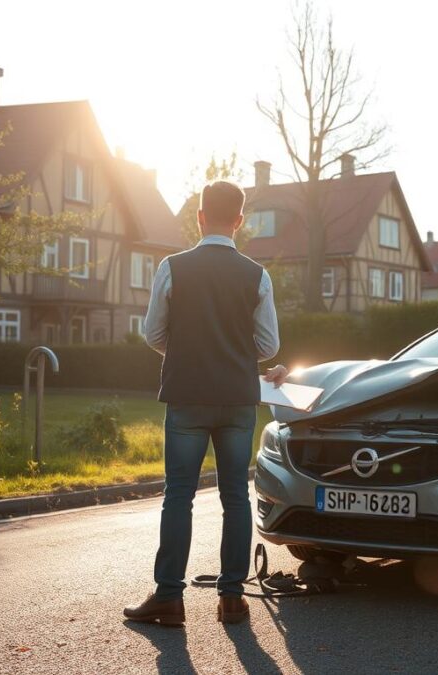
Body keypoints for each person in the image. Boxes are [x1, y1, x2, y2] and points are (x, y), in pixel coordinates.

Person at [124, 180, 288, 626]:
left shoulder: (172, 267)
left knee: (179, 496)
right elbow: (268, 343)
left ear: (199, 217)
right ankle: (232, 598)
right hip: (237, 400)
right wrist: (231, 355)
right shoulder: (258, 274)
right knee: (235, 496)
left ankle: (169, 598)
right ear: (239, 221)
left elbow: (153, 334)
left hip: (187, 397)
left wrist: (191, 352)